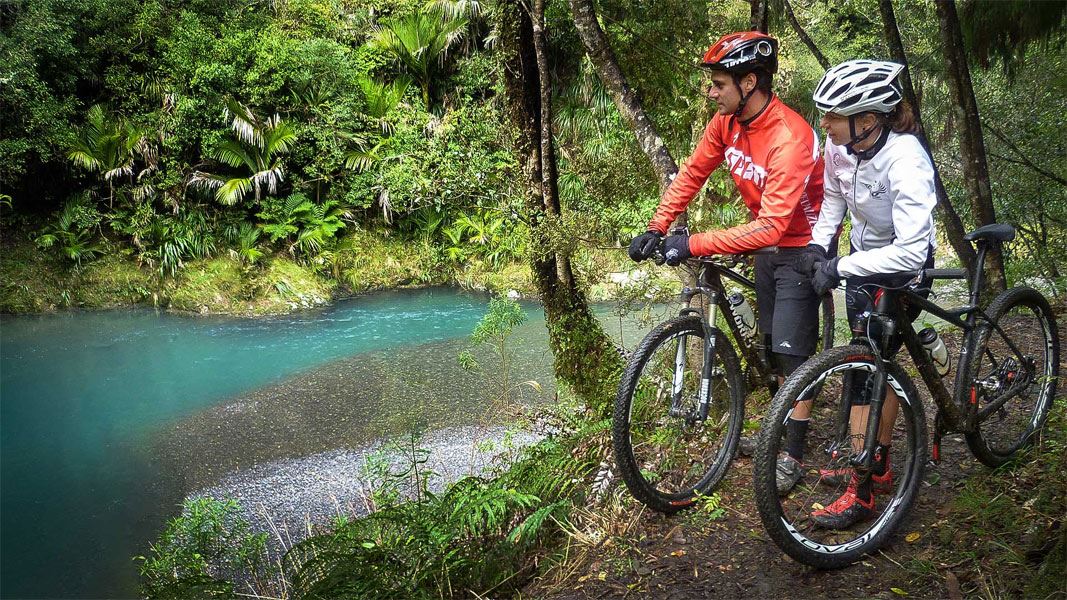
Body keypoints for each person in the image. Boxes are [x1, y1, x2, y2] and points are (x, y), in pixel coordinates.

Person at [627, 31, 825, 492]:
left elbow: (776, 226)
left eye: (719, 83)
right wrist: (658, 226)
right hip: (766, 242)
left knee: (791, 357)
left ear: (749, 82)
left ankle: (792, 453)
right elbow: (691, 174)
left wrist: (694, 243)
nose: (710, 92)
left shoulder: (790, 136)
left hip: (803, 244)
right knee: (771, 342)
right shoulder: (727, 124)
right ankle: (778, 422)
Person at [795, 59, 938, 528]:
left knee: (880, 365)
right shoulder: (841, 147)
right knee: (861, 361)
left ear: (868, 119)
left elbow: (911, 252)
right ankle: (866, 457)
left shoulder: (907, 159)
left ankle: (866, 485)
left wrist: (840, 266)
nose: (824, 124)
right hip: (860, 258)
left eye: (832, 115)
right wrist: (820, 243)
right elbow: (835, 195)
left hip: (902, 267)